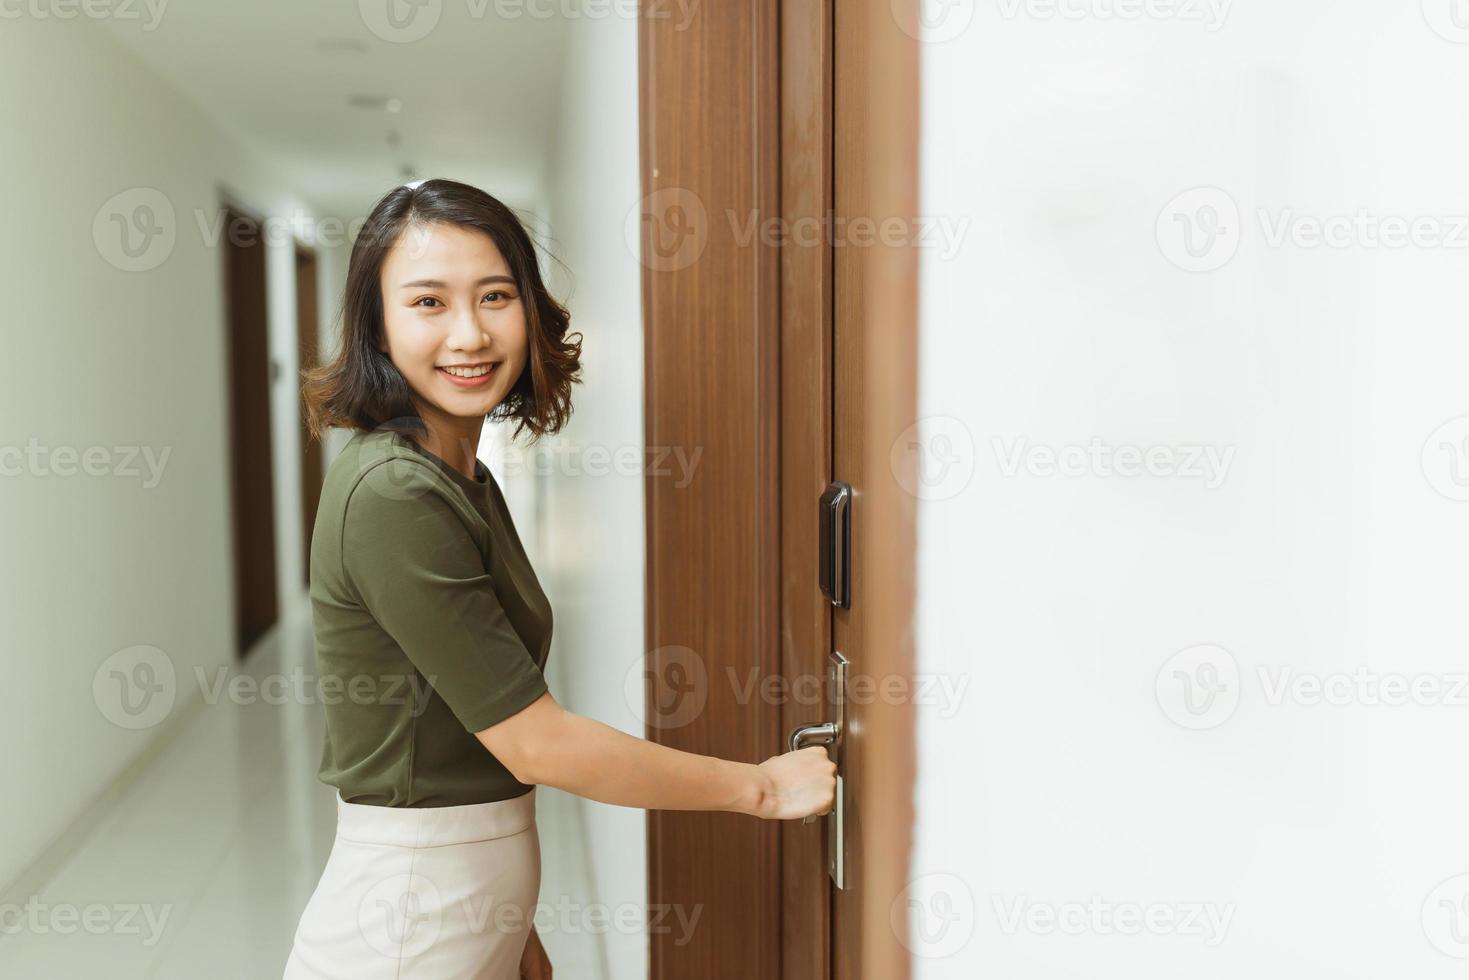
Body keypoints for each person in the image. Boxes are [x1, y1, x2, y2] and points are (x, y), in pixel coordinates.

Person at [282, 178, 836, 980]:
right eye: (428, 303)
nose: (469, 333)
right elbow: (534, 741)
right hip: (409, 925)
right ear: (377, 326)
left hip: (454, 911)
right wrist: (759, 789)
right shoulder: (394, 494)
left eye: (495, 295)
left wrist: (513, 936)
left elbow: (462, 737)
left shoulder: (453, 473)